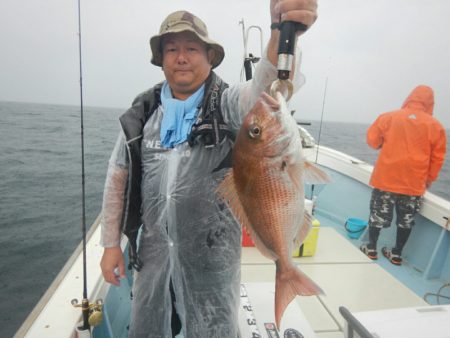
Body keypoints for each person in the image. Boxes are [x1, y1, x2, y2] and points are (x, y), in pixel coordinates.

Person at [99, 2, 318, 337]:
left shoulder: (229, 105)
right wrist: (111, 244)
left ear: (210, 57)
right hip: (154, 261)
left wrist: (281, 30)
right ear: (161, 60)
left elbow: (266, 87)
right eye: (172, 49)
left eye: (191, 48)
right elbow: (118, 176)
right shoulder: (142, 114)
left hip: (212, 264)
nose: (181, 57)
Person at [360, 85, 447, 266]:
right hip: (413, 184)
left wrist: (383, 143)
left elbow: (372, 140)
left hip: (386, 180)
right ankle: (397, 254)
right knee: (406, 220)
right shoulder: (436, 126)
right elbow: (437, 158)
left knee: (378, 215)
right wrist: (429, 179)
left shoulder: (388, 117)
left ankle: (371, 248)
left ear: (409, 98)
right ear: (430, 103)